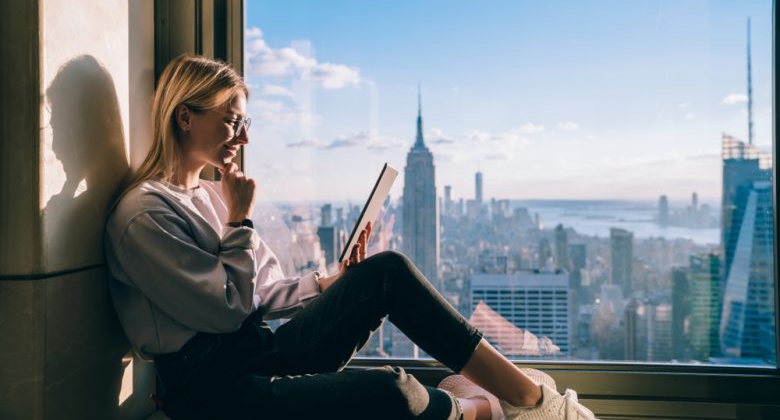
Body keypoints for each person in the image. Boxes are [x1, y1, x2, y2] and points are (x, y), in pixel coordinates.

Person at [105, 54, 597, 420]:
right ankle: (482, 410)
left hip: (255, 352)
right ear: (184, 116)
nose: (244, 137)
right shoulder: (144, 214)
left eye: (245, 122)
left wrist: (330, 283)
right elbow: (224, 308)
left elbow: (261, 293)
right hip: (210, 389)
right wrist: (238, 223)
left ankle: (535, 401)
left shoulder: (211, 195)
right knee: (391, 391)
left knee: (386, 272)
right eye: (233, 121)